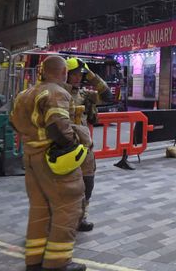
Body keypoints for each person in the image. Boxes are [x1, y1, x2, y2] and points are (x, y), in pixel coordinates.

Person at [9, 56, 87, 271]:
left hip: (31, 157)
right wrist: (75, 141)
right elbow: (58, 126)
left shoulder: (25, 93)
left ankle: (34, 260)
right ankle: (58, 263)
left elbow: (13, 121)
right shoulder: (56, 92)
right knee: (67, 208)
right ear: (63, 72)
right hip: (52, 160)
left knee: (39, 209)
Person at [66, 58, 113, 233]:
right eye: (74, 74)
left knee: (88, 182)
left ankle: (81, 218)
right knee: (64, 185)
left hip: (84, 148)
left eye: (80, 75)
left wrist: (91, 74)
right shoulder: (56, 93)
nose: (78, 78)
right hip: (63, 146)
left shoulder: (84, 95)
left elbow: (108, 95)